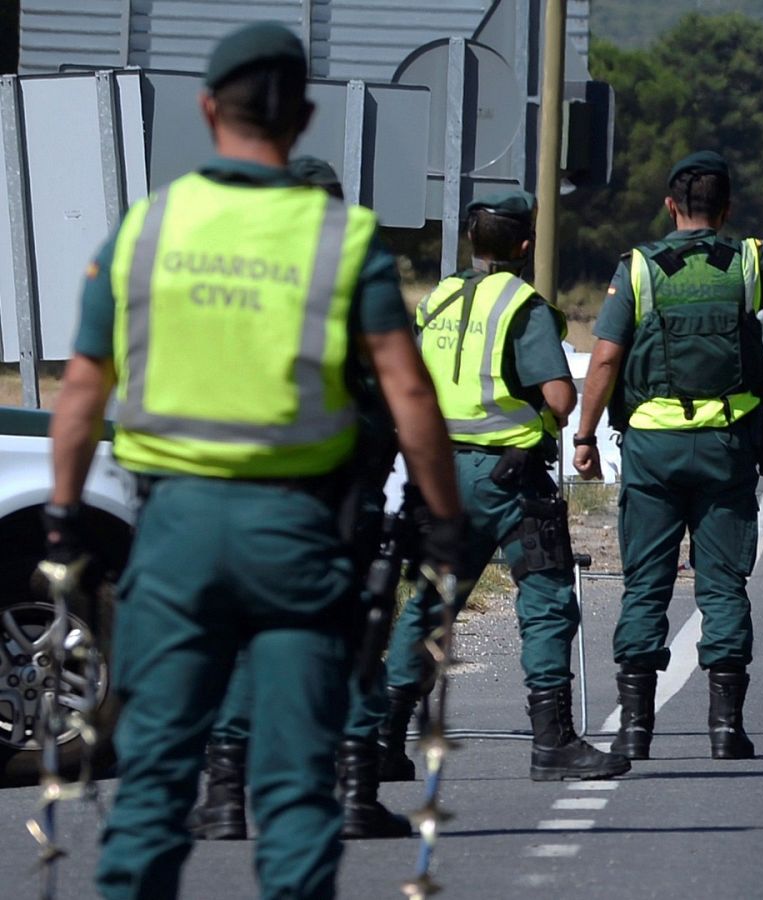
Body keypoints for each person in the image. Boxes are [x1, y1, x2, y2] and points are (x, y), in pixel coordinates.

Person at [43, 22, 463, 899]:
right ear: (303, 118)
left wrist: (63, 514)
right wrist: (443, 519)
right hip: (298, 532)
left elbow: (81, 390)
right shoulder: (342, 238)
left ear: (208, 109)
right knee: (298, 782)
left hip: (176, 532)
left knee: (155, 771)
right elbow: (409, 394)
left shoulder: (146, 230)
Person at [572, 114, 763, 760]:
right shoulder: (749, 263)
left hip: (650, 453)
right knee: (723, 585)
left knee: (646, 584)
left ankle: (636, 731)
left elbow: (605, 359)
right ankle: (726, 729)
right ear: (727, 208)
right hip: (728, 451)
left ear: (670, 205)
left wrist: (585, 436)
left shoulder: (640, 270)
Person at [186, 155, 417, 843]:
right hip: (343, 491)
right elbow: (402, 390)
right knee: (352, 636)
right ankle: (354, 797)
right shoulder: (361, 279)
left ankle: (226, 798)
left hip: (251, 490)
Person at [378, 189, 629, 782]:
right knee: (545, 603)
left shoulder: (436, 300)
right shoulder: (524, 307)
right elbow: (559, 397)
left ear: (472, 241)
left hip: (440, 474)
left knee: (433, 603)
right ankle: (553, 742)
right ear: (524, 245)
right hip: (509, 481)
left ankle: (381, 738)